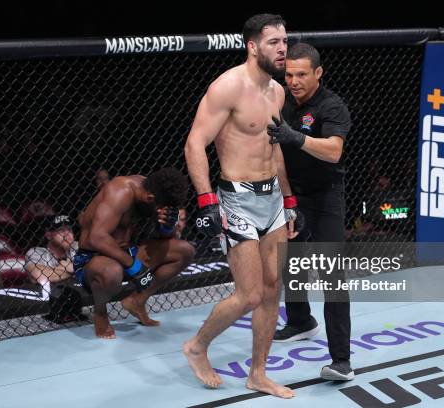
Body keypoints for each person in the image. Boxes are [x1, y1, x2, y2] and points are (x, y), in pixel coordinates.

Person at [183, 13, 301, 398]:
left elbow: (275, 147)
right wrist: (206, 202)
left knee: (272, 289)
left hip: (272, 201)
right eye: (274, 43)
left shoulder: (278, 92)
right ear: (253, 46)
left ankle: (258, 373)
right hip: (236, 198)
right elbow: (195, 144)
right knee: (249, 294)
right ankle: (198, 346)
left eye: (285, 41)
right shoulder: (227, 87)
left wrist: (289, 199)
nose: (283, 49)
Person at [267, 42, 354, 381]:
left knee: (332, 277)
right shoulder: (281, 101)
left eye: (302, 74)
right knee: (291, 261)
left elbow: (334, 151)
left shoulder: (332, 106)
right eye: (289, 74)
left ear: (318, 73)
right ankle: (301, 321)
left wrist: (296, 138)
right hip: (292, 194)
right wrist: (288, 198)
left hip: (326, 196)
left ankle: (342, 360)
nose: (294, 81)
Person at [74, 167, 195, 339]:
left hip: (127, 252)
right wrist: (133, 265)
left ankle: (137, 301)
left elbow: (164, 237)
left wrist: (167, 226)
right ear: (150, 198)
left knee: (185, 250)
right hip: (93, 258)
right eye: (159, 207)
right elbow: (97, 238)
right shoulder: (120, 192)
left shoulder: (156, 191)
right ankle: (100, 313)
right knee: (111, 270)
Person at [25, 215, 78, 285]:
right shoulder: (37, 252)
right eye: (61, 230)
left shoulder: (77, 246)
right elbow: (41, 276)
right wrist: (77, 269)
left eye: (69, 229)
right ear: (48, 236)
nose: (67, 234)